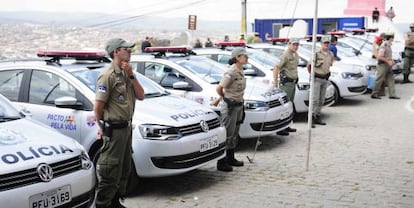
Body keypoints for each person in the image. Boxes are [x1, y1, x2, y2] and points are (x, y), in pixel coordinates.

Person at [94, 38, 145, 208]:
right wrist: (101, 126)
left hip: (126, 128)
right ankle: (103, 204)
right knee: (110, 170)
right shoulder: (107, 76)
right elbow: (98, 107)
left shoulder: (126, 73)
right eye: (127, 49)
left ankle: (115, 201)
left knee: (124, 169)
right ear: (116, 51)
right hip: (114, 131)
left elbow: (141, 95)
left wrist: (131, 74)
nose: (130, 51)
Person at [211, 48, 247, 172]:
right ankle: (222, 162)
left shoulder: (241, 71)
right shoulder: (231, 72)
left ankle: (231, 157)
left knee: (234, 133)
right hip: (230, 106)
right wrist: (225, 98)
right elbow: (220, 88)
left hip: (238, 105)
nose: (246, 58)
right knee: (227, 134)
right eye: (244, 56)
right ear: (237, 57)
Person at [273, 37, 300, 135]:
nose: (296, 46)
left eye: (297, 45)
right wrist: (275, 83)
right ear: (289, 44)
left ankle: (287, 125)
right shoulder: (285, 55)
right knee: (284, 106)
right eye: (294, 44)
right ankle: (280, 128)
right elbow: (276, 67)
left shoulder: (295, 54)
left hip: (293, 82)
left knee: (289, 105)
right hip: (286, 83)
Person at [306, 36, 334, 128]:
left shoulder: (330, 54)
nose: (326, 45)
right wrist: (312, 75)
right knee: (315, 100)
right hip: (317, 79)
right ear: (321, 44)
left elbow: (329, 65)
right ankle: (311, 118)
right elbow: (309, 66)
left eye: (327, 43)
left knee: (322, 100)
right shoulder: (316, 54)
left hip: (325, 79)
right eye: (324, 43)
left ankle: (317, 116)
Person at [371, 32, 400, 99]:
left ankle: (392, 95)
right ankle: (374, 94)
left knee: (391, 79)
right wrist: (388, 61)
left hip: (387, 65)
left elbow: (388, 56)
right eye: (392, 37)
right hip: (382, 65)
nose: (393, 39)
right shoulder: (384, 45)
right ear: (390, 38)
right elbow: (380, 56)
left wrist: (392, 61)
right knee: (379, 79)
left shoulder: (388, 45)